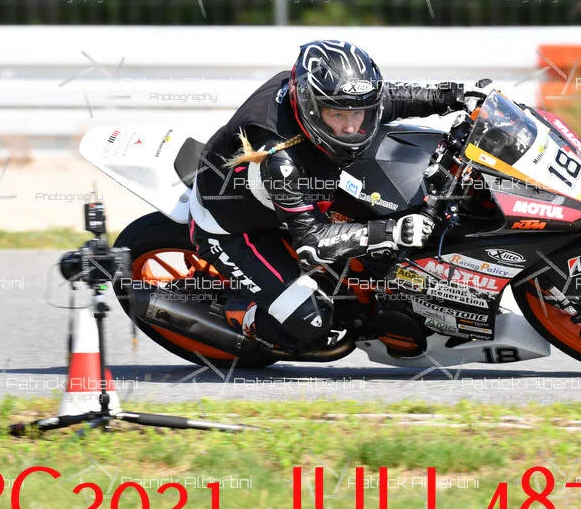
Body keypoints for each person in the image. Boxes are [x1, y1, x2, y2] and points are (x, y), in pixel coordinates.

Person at [188, 39, 497, 353]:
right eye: (337, 115)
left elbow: (389, 98)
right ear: (311, 108)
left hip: (284, 197)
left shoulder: (333, 97)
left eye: (358, 112)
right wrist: (392, 232)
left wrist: (458, 95)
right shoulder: (280, 159)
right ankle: (238, 318)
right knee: (312, 324)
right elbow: (312, 243)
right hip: (233, 229)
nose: (350, 127)